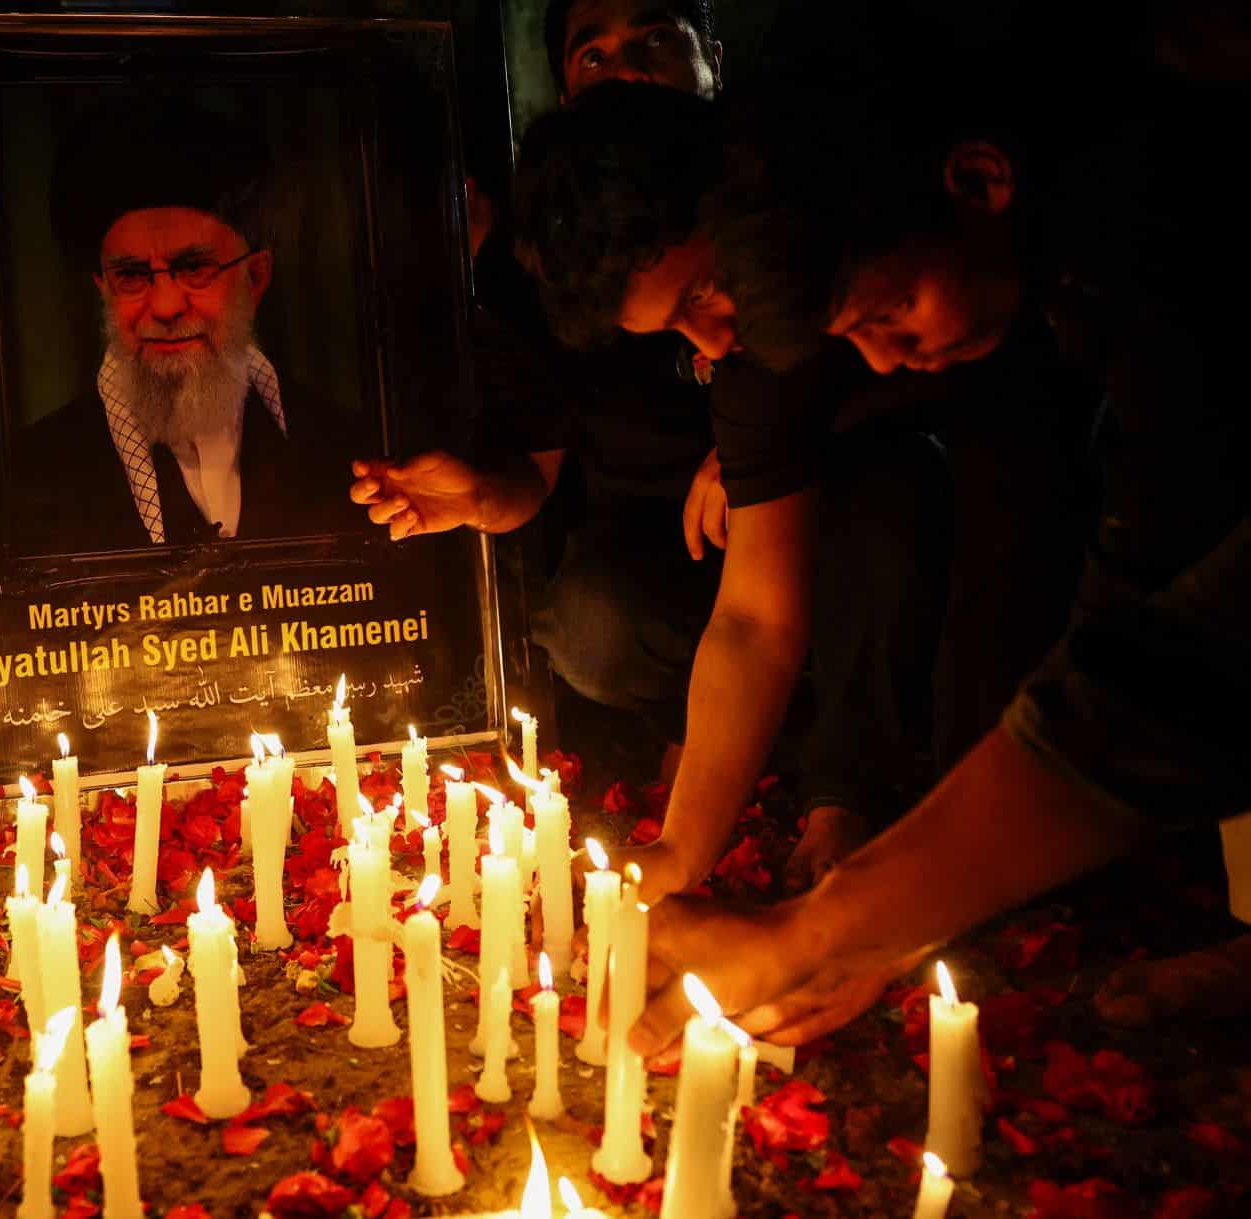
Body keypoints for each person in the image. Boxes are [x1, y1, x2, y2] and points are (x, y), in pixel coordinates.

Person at [613, 66, 1248, 1051]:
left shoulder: (1171, 259)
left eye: (886, 313)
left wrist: (825, 929)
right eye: (852, 336)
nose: (882, 359)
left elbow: (1151, 672)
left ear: (979, 181)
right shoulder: (1041, 279)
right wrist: (878, 918)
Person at [355, 4, 956, 887]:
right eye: (594, 56)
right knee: (594, 620)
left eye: (653, 41)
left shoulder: (815, 223)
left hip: (858, 539)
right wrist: (677, 857)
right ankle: (728, 746)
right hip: (695, 562)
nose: (628, 71)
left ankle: (845, 786)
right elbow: (748, 617)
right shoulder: (594, 278)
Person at [11, 102, 364, 554]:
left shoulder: (351, 453)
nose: (165, 307)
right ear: (104, 289)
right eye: (132, 275)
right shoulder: (23, 479)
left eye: (195, 268)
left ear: (255, 277)